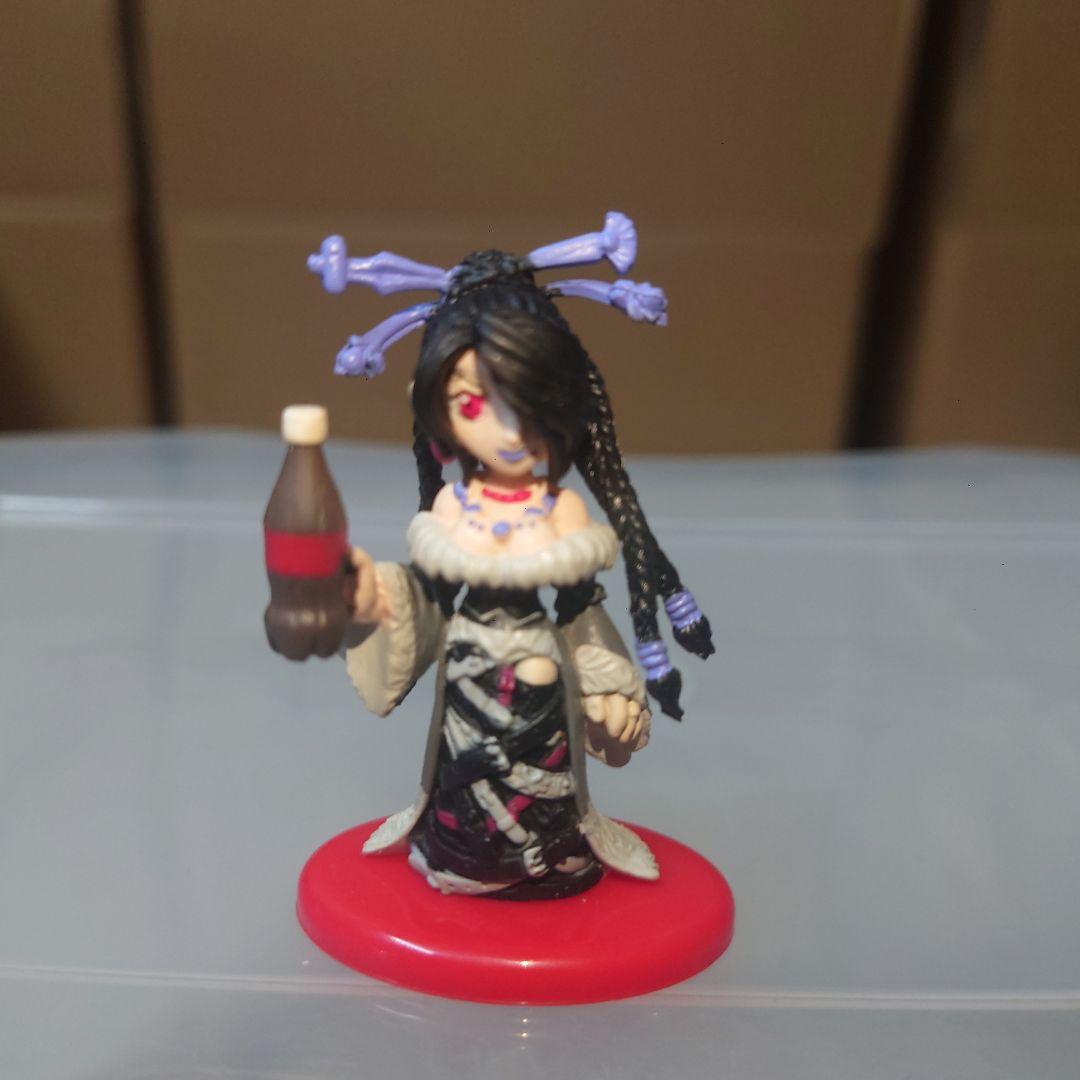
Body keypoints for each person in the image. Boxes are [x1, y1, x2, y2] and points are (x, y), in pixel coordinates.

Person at [309, 215, 714, 899]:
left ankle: (545, 864)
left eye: (524, 401)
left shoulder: (562, 512)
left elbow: (581, 608)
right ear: (438, 411)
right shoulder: (451, 508)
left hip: (541, 694)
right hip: (468, 685)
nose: (505, 430)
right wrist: (373, 598)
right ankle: (464, 860)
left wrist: (606, 686)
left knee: (544, 814)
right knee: (464, 800)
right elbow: (427, 603)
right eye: (473, 403)